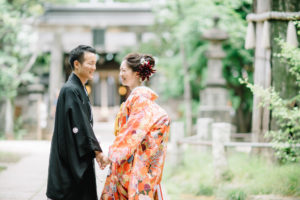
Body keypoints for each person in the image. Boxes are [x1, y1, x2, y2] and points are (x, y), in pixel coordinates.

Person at [101, 53, 170, 200]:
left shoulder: (139, 98)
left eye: (124, 70)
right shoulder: (137, 98)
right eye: (120, 70)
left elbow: (132, 132)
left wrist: (112, 155)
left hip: (132, 164)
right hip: (130, 159)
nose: (121, 74)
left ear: (137, 73)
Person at [46, 45, 106, 200]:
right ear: (77, 64)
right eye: (89, 63)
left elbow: (83, 124)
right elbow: (80, 125)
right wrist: (97, 152)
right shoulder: (70, 89)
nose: (93, 67)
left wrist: (94, 149)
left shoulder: (78, 88)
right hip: (70, 159)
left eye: (94, 63)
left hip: (77, 154)